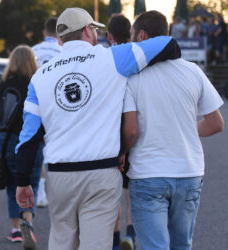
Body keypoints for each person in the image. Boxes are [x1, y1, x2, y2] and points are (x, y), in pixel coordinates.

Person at [14, 7, 181, 250]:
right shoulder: (112, 57)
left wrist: (22, 181)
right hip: (101, 173)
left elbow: (28, 138)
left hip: (59, 175)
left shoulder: (39, 77)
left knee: (61, 242)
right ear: (87, 30)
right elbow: (168, 43)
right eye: (94, 29)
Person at [123, 11, 224, 250]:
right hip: (189, 171)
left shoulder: (133, 77)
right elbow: (216, 123)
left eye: (132, 36)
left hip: (148, 173)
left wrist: (120, 153)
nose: (130, 43)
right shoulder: (193, 71)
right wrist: (185, 129)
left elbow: (130, 132)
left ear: (142, 34)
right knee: (182, 246)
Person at [0, 45, 43, 250]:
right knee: (32, 181)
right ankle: (27, 220)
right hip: (33, 140)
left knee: (12, 182)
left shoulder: (3, 86)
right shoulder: (37, 84)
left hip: (8, 139)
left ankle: (15, 229)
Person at [106, 13, 136, 250]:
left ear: (109, 35)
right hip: (135, 130)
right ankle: (131, 234)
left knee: (114, 190)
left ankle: (115, 242)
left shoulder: (106, 58)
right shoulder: (139, 57)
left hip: (112, 133)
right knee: (131, 190)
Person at [32, 16, 63, 208]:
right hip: (57, 106)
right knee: (57, 148)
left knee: (39, 150)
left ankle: (41, 192)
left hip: (35, 104)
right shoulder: (62, 51)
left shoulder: (33, 50)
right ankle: (56, 192)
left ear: (44, 32)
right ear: (59, 33)